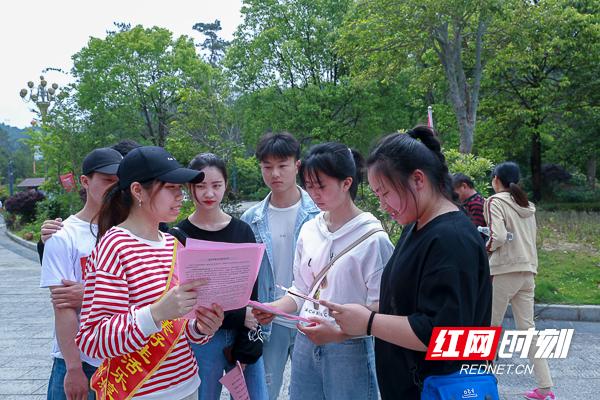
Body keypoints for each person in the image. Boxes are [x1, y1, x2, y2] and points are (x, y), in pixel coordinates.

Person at [320, 126, 492, 400]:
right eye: (377, 195)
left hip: (440, 389)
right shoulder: (417, 227)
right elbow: (405, 305)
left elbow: (440, 335)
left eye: (385, 193)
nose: (382, 204)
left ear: (418, 180)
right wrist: (350, 321)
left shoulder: (452, 240)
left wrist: (369, 323)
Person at [76, 146, 224, 399]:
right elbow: (92, 339)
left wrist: (201, 327)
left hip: (187, 384)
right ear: (137, 191)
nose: (180, 196)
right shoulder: (114, 246)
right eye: (170, 188)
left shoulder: (172, 243)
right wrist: (155, 312)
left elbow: (179, 326)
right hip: (140, 391)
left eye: (180, 189)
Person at [253, 143, 394, 400]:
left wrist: (339, 333)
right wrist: (273, 308)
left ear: (346, 183)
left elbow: (382, 309)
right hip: (306, 341)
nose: (314, 193)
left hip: (351, 348)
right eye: (309, 185)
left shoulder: (373, 239)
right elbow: (301, 290)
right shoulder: (310, 229)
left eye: (321, 185)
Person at [170, 153, 267, 400]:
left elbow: (252, 293)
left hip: (241, 335)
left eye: (216, 185)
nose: (209, 193)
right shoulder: (178, 235)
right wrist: (238, 315)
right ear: (189, 188)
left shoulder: (242, 230)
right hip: (202, 339)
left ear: (226, 184)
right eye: (201, 186)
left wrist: (247, 342)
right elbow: (181, 301)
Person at [240, 132, 320, 400]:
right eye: (267, 167)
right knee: (263, 392)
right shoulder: (251, 219)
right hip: (267, 320)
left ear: (297, 165)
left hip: (309, 317)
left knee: (311, 392)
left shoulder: (320, 214)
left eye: (282, 165)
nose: (275, 173)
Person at [40, 147, 122, 400]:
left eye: (119, 182)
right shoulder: (63, 236)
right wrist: (74, 367)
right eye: (107, 180)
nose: (114, 188)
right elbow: (63, 306)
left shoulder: (130, 232)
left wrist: (90, 293)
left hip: (122, 358)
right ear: (85, 182)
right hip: (78, 359)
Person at [484, 162, 555, 400]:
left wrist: (485, 249)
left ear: (496, 179)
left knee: (489, 329)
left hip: (504, 271)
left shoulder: (494, 201)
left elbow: (499, 236)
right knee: (528, 331)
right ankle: (545, 387)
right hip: (528, 270)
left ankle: (485, 386)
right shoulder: (528, 205)